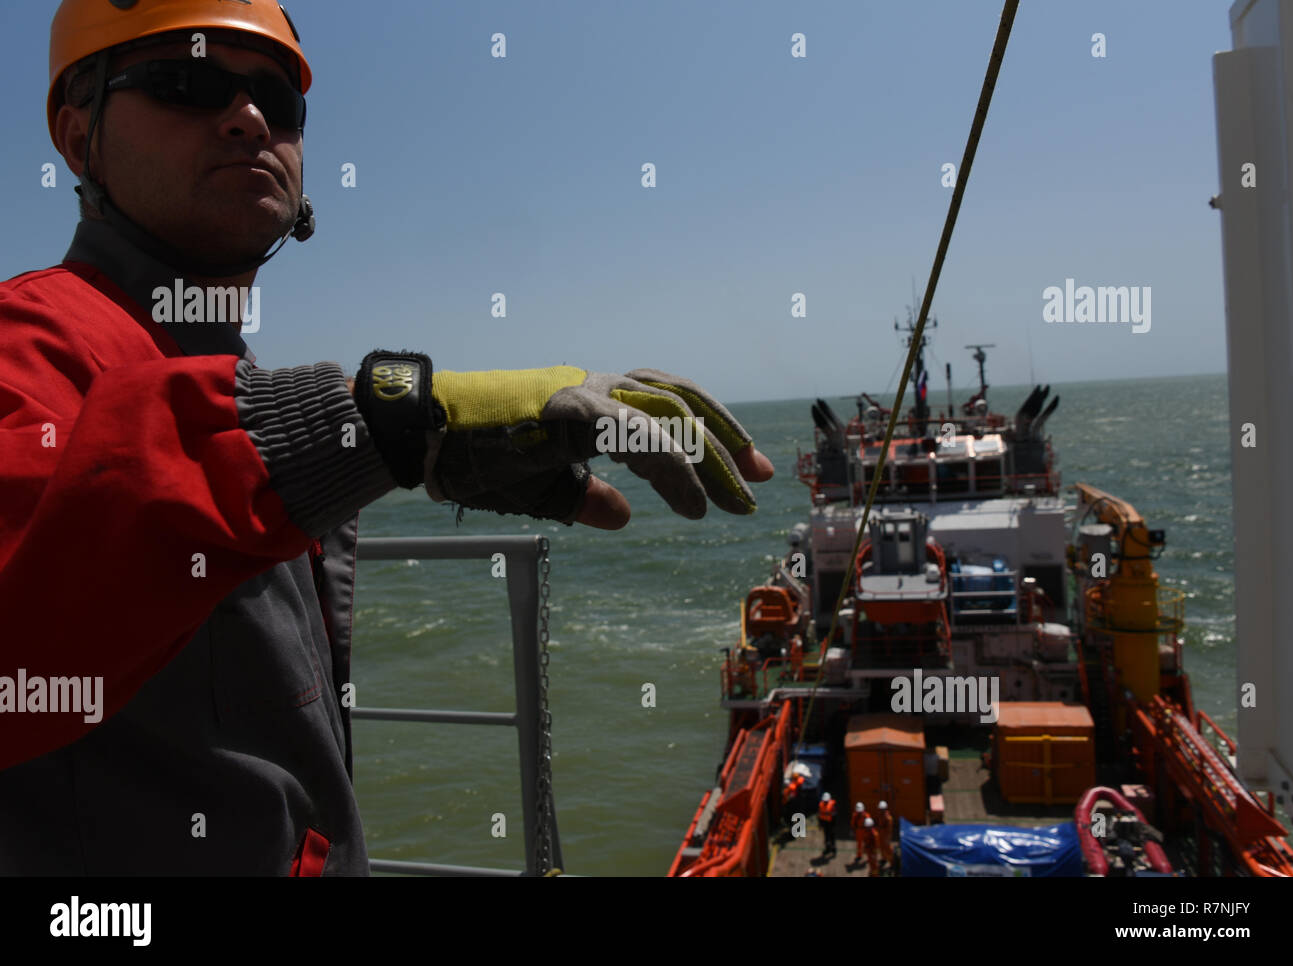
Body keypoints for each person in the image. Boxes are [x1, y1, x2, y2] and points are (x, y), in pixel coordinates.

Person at [0, 0, 772, 875]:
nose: (248, 116)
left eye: (277, 101)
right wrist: (379, 424)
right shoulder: (26, 345)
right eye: (187, 82)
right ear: (76, 133)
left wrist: (408, 457)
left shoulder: (206, 364)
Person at [876, 799, 895, 871]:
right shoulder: (881, 815)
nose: (879, 810)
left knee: (888, 850)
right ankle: (884, 859)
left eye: (881, 809)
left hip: (886, 836)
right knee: (881, 848)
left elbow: (888, 829)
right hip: (881, 835)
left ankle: (892, 863)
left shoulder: (888, 818)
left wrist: (886, 837)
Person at [817, 792, 837, 857]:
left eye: (826, 801)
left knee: (832, 837)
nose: (825, 802)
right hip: (825, 823)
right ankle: (827, 849)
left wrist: (833, 824)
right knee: (826, 837)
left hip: (830, 823)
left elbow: (835, 815)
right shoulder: (821, 805)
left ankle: (833, 850)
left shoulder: (832, 805)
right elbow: (819, 815)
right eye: (824, 801)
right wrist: (820, 824)